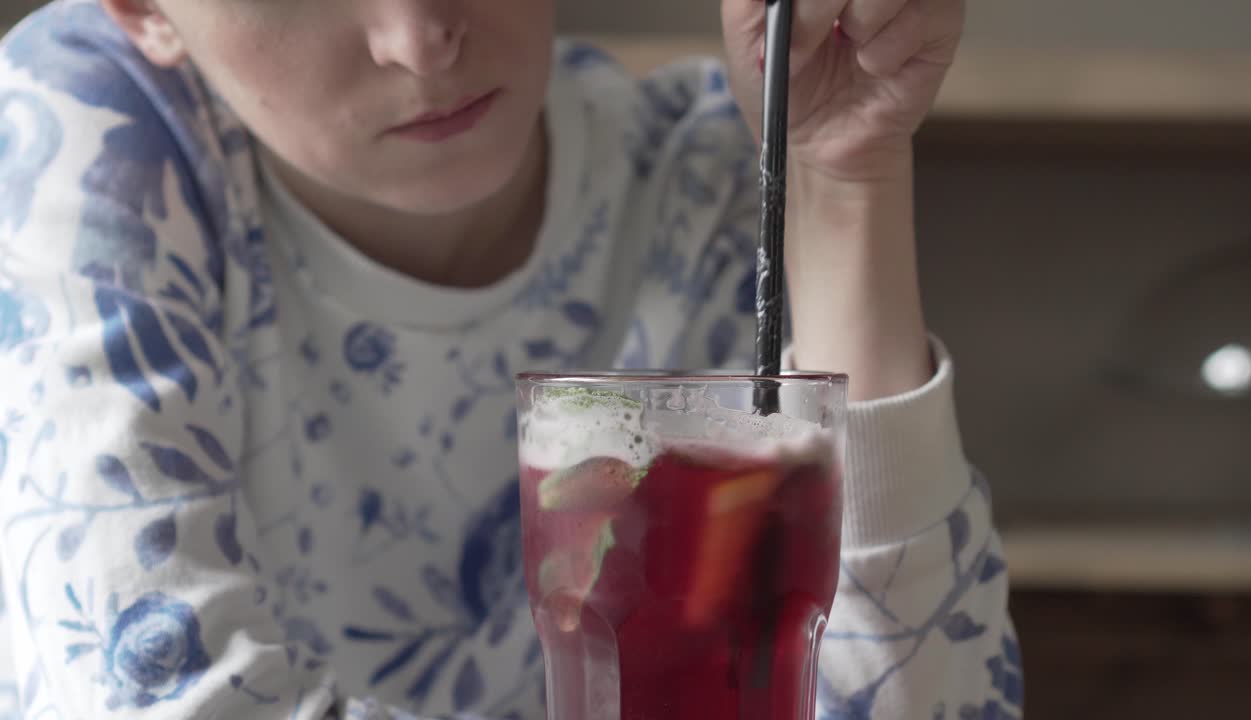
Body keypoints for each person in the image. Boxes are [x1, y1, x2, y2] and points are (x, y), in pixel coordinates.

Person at [0, 0, 1020, 717]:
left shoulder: (705, 180)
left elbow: (938, 705)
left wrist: (841, 184)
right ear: (143, 9)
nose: (418, 39)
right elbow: (151, 699)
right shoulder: (86, 129)